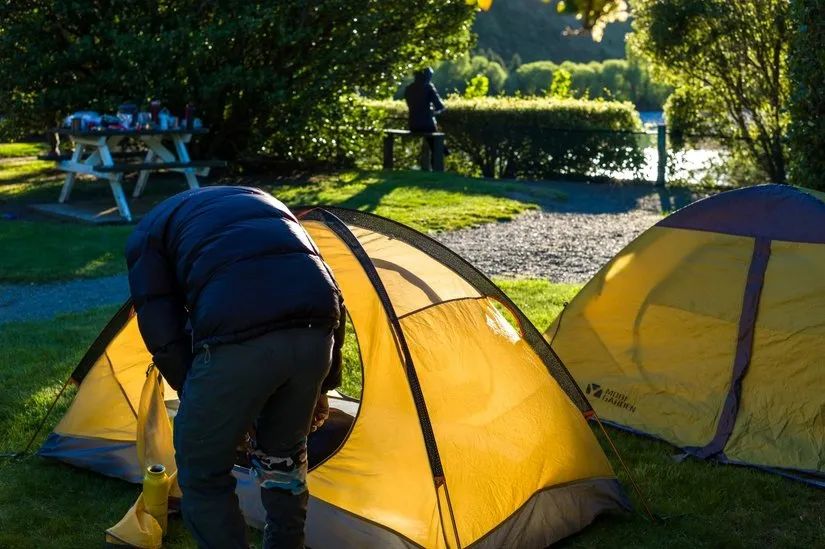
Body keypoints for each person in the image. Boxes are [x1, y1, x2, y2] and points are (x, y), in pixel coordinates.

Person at [125, 186, 346, 549]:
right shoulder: (268, 204)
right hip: (316, 331)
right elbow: (334, 293)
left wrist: (197, 397)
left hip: (238, 337)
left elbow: (162, 333)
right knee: (284, 458)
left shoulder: (146, 234)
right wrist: (323, 387)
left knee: (202, 471)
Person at [404, 67, 448, 168]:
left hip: (413, 124)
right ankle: (438, 165)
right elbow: (440, 106)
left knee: (433, 137)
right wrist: (433, 111)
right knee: (435, 142)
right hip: (427, 125)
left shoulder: (409, 88)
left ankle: (444, 151)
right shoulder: (428, 87)